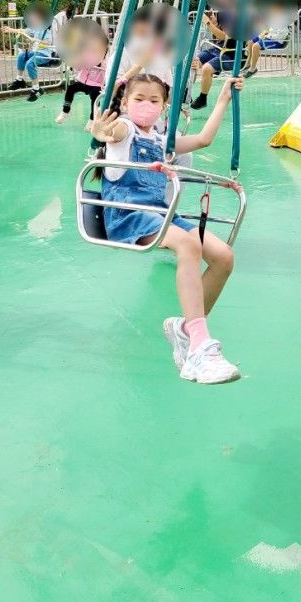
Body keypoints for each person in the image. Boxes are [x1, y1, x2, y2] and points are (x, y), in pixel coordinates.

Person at [92, 73, 243, 384]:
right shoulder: (125, 131)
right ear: (125, 102)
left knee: (224, 257)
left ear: (164, 107)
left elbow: (203, 140)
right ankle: (200, 348)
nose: (146, 105)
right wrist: (100, 130)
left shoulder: (162, 141)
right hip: (129, 214)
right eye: (139, 99)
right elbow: (112, 131)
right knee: (189, 245)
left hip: (161, 214)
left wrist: (224, 98)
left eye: (154, 100)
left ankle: (186, 329)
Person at [55, 21, 109, 130]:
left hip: (96, 84)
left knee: (95, 96)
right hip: (83, 81)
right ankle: (65, 111)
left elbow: (108, 69)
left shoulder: (107, 59)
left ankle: (92, 119)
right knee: (71, 88)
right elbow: (79, 66)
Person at [3, 4, 60, 102]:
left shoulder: (47, 29)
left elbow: (48, 43)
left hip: (44, 54)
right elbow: (24, 30)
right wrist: (10, 30)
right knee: (21, 56)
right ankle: (19, 80)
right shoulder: (35, 27)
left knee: (30, 64)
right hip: (35, 52)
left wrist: (36, 40)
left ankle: (36, 88)